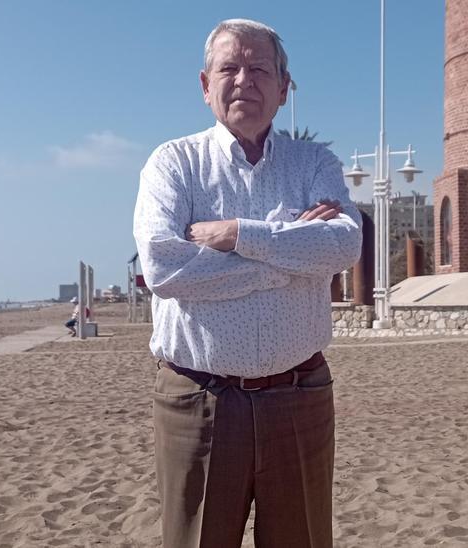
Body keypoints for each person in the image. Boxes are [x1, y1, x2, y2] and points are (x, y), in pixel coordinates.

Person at [133, 19, 361, 548]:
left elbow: (345, 246)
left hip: (299, 396)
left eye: (259, 68)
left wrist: (237, 234)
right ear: (205, 84)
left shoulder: (314, 163)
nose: (244, 80)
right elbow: (165, 268)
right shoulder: (173, 165)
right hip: (200, 401)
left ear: (284, 87)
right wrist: (290, 251)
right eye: (229, 68)